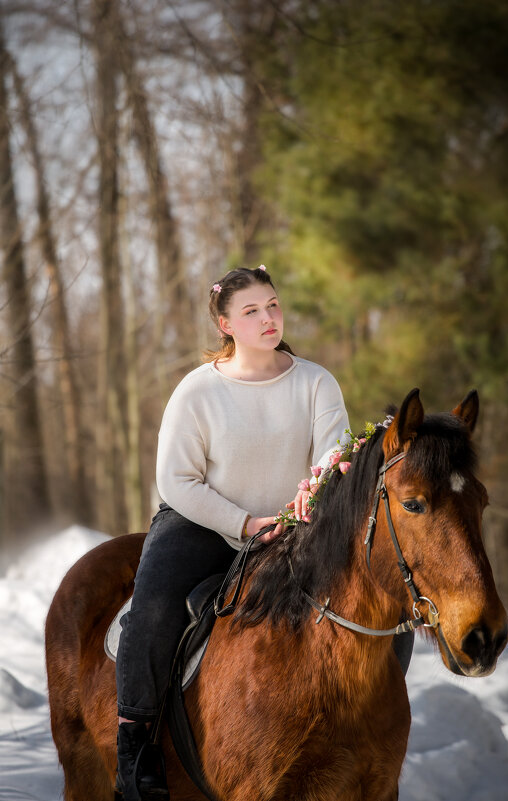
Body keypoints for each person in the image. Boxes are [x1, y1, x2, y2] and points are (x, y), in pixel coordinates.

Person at [115, 265, 350, 800]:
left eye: (273, 305)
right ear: (226, 324)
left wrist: (301, 510)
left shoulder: (316, 381)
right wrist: (243, 523)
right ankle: (137, 744)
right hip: (204, 522)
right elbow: (177, 481)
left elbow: (334, 459)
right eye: (251, 311)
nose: (268, 318)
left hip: (297, 529)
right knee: (152, 606)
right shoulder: (197, 391)